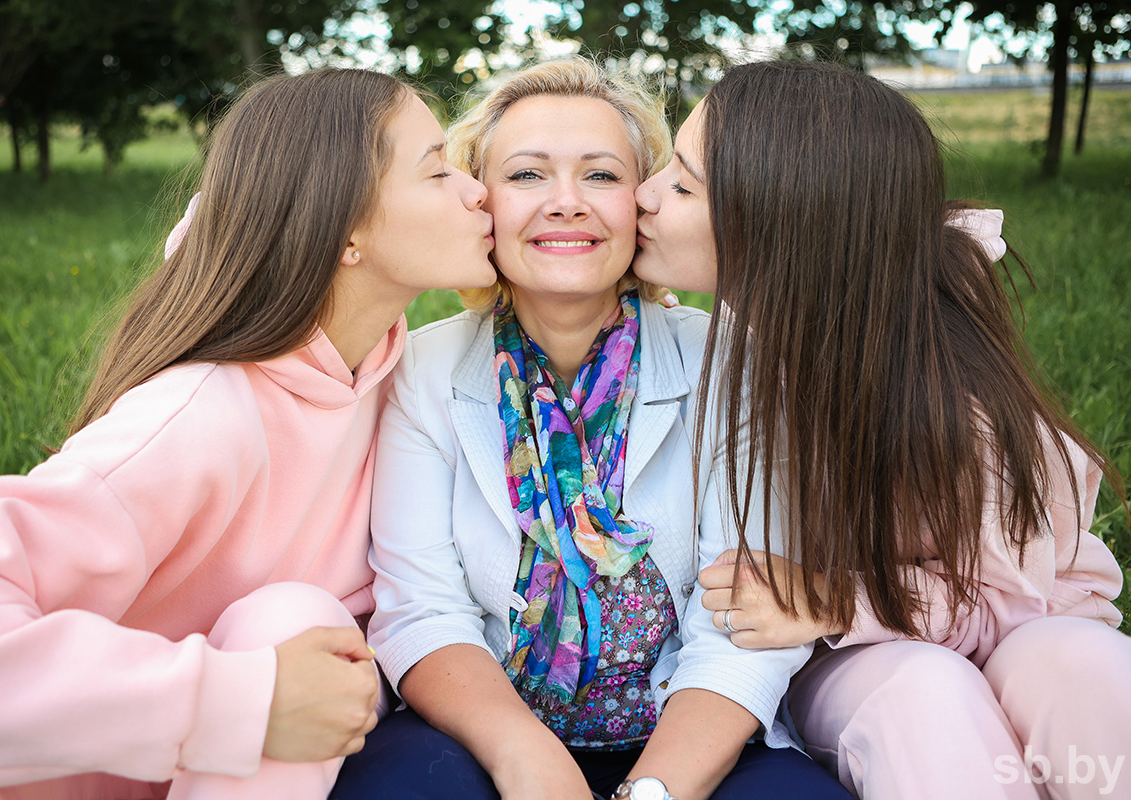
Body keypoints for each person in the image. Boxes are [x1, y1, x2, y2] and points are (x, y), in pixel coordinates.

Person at [0, 67, 496, 800]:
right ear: (346, 229)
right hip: (55, 777)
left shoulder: (401, 381)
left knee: (307, 633)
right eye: (436, 170)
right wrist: (236, 702)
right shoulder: (202, 414)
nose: (476, 188)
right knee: (296, 624)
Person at [331, 58, 852, 800]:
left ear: (643, 203)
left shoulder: (728, 360)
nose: (567, 203)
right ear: (480, 203)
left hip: (693, 727)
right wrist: (525, 760)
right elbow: (424, 609)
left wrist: (655, 790)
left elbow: (744, 618)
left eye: (602, 176)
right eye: (528, 176)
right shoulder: (426, 369)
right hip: (482, 731)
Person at [633, 59, 1130, 799]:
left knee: (1088, 668)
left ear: (779, 227)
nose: (643, 195)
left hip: (1009, 620)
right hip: (855, 662)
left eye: (679, 183)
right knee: (925, 695)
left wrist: (839, 599)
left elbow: (1016, 599)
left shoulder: (952, 391)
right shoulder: (740, 327)